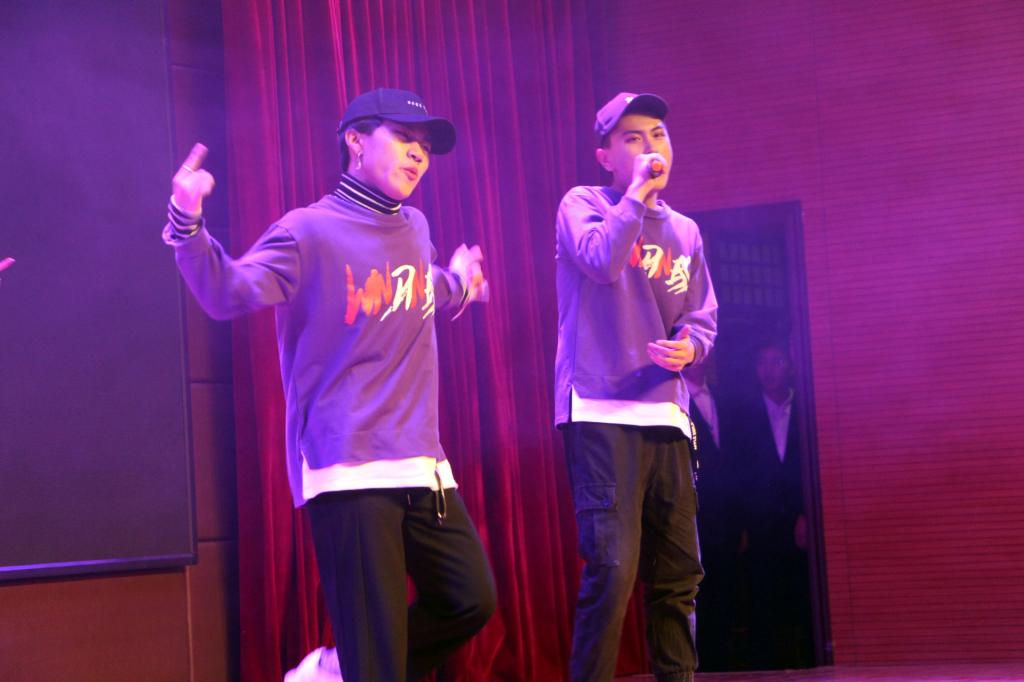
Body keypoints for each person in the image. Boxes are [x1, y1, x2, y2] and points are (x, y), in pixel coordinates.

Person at [164, 88, 496, 682]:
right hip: (349, 465)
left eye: (425, 147)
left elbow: (417, 286)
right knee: (379, 651)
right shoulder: (308, 231)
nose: (418, 155)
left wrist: (460, 283)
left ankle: (339, 672)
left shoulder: (415, 226)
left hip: (423, 462)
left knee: (470, 599)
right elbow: (226, 292)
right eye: (405, 139)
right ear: (355, 140)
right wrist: (186, 221)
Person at [554, 92, 718, 682]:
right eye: (633, 138)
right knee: (614, 567)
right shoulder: (583, 204)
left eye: (659, 135)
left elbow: (700, 315)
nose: (652, 147)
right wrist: (635, 199)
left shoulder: (686, 231)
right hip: (601, 409)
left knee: (679, 574)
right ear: (605, 157)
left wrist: (691, 347)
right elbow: (600, 260)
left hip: (667, 414)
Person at [736, 340, 812, 669]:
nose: (768, 370)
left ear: (790, 367)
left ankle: (812, 666)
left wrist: (807, 513)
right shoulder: (743, 414)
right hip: (760, 523)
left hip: (800, 521)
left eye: (776, 362)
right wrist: (742, 525)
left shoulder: (807, 408)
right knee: (762, 601)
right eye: (762, 363)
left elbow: (815, 466)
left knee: (805, 598)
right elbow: (738, 473)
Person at [683, 355, 742, 671]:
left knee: (726, 588)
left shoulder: (722, 397)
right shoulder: (677, 400)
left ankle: (725, 662)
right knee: (697, 589)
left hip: (725, 513)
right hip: (693, 511)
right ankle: (699, 663)